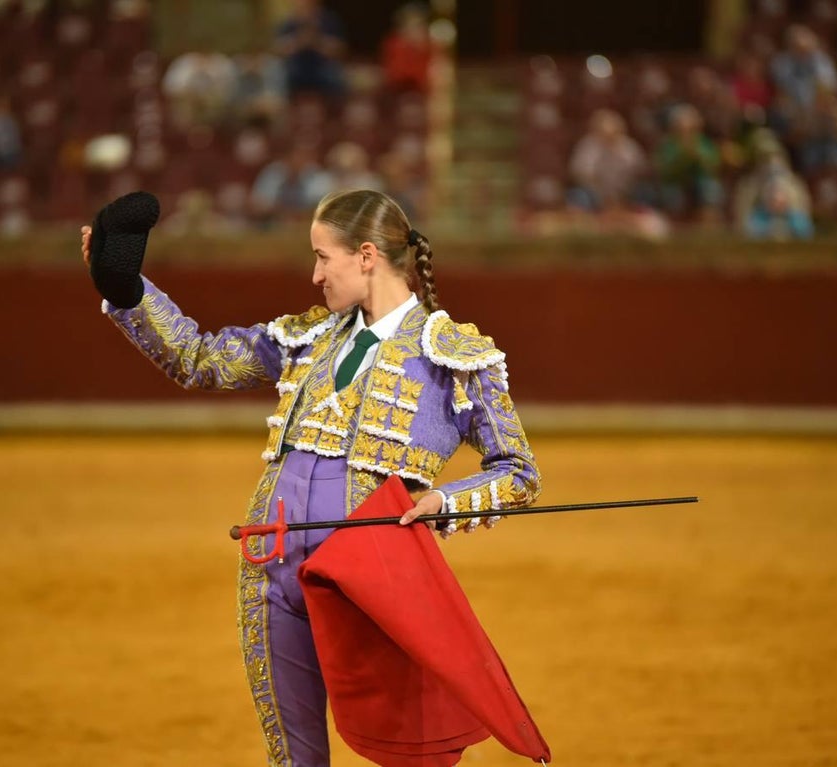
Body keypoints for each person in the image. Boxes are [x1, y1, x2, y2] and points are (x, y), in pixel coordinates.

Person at [79, 188, 541, 767]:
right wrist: (125, 287)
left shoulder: (454, 355)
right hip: (271, 564)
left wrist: (444, 502)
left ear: (366, 256)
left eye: (324, 256)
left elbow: (518, 473)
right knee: (295, 757)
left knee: (412, 751)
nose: (315, 274)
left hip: (372, 573)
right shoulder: (308, 338)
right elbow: (201, 359)